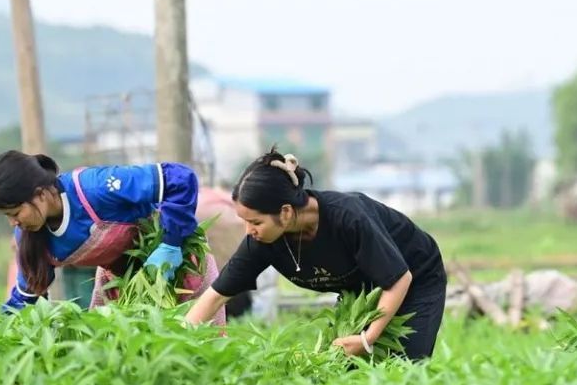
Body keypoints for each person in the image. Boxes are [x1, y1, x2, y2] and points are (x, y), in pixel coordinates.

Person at [185, 148, 448, 360]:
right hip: (362, 289)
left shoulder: (348, 217)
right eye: (244, 221)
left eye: (255, 222)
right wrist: (173, 340)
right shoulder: (264, 239)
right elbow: (216, 296)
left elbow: (399, 278)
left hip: (415, 276)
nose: (248, 230)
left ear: (286, 212)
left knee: (406, 366)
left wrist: (368, 338)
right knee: (346, 371)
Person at [0, 150, 223, 324]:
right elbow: (26, 299)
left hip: (178, 267)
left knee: (197, 344)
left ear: (41, 194)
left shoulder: (94, 188)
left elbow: (179, 179)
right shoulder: (29, 237)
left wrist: (170, 245)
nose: (14, 223)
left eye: (15, 213)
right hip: (120, 288)